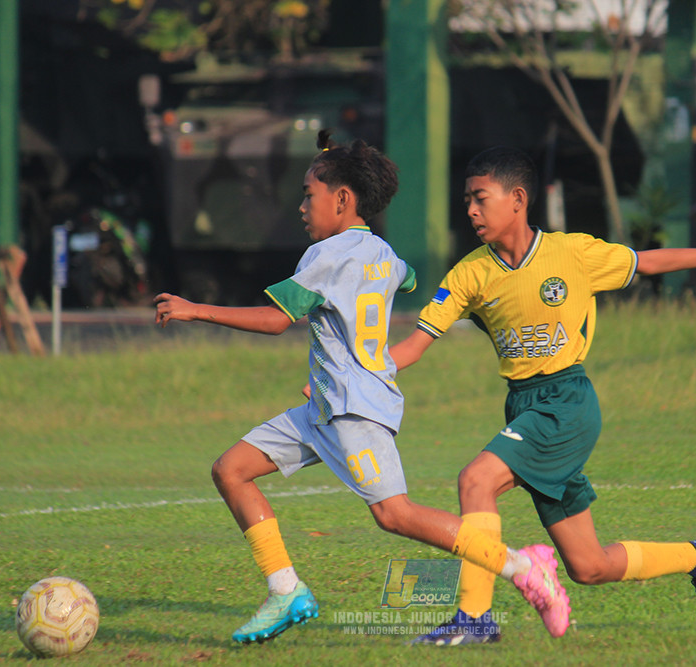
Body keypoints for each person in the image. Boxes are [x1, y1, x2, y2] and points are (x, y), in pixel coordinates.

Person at [154, 133, 571, 645]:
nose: (302, 206)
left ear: (342, 199)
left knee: (395, 515)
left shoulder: (326, 255)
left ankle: (521, 566)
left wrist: (195, 309)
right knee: (231, 470)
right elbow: (407, 278)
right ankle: (286, 591)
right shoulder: (384, 253)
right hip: (325, 407)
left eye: (309, 194)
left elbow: (276, 319)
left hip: (354, 410)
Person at [390, 146, 696, 646]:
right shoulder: (469, 274)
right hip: (523, 405)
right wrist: (354, 373)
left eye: (480, 198)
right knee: (589, 566)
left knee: (476, 481)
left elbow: (647, 262)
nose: (471, 210)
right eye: (467, 201)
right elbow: (413, 346)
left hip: (566, 402)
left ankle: (474, 617)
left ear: (517, 199)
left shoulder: (573, 253)